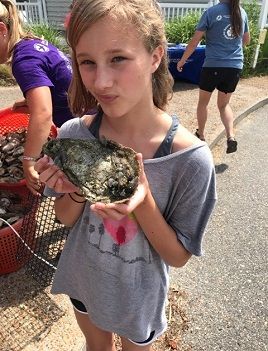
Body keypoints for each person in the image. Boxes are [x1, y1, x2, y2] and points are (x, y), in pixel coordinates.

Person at [35, 0, 217, 350]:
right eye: (87, 62)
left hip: (138, 296)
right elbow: (66, 218)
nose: (100, 81)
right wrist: (74, 190)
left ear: (155, 56)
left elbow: (178, 257)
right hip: (84, 278)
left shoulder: (190, 160)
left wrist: (143, 202)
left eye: (118, 58)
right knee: (95, 344)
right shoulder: (76, 134)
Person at [0, 0, 74, 194]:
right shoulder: (31, 44)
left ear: (1, 30)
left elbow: (43, 114)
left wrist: (28, 160)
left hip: (87, 131)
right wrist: (29, 103)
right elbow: (57, 85)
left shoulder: (23, 61)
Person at [177, 0, 250, 154]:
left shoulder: (211, 12)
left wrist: (182, 61)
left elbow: (195, 41)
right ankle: (231, 137)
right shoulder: (242, 13)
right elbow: (246, 40)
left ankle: (201, 136)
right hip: (234, 67)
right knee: (224, 105)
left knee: (203, 103)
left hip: (213, 66)